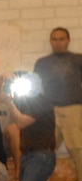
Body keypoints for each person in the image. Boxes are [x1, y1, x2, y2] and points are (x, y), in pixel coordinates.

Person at [9, 75, 64, 181]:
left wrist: (8, 102)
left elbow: (21, 122)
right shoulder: (24, 103)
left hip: (41, 154)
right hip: (29, 154)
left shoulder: (42, 101)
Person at [34, 27, 82, 169]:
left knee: (78, 150)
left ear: (68, 41)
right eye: (54, 39)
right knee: (43, 151)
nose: (58, 42)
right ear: (50, 41)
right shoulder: (42, 62)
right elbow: (35, 88)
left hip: (73, 109)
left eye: (61, 39)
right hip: (49, 111)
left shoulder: (78, 59)